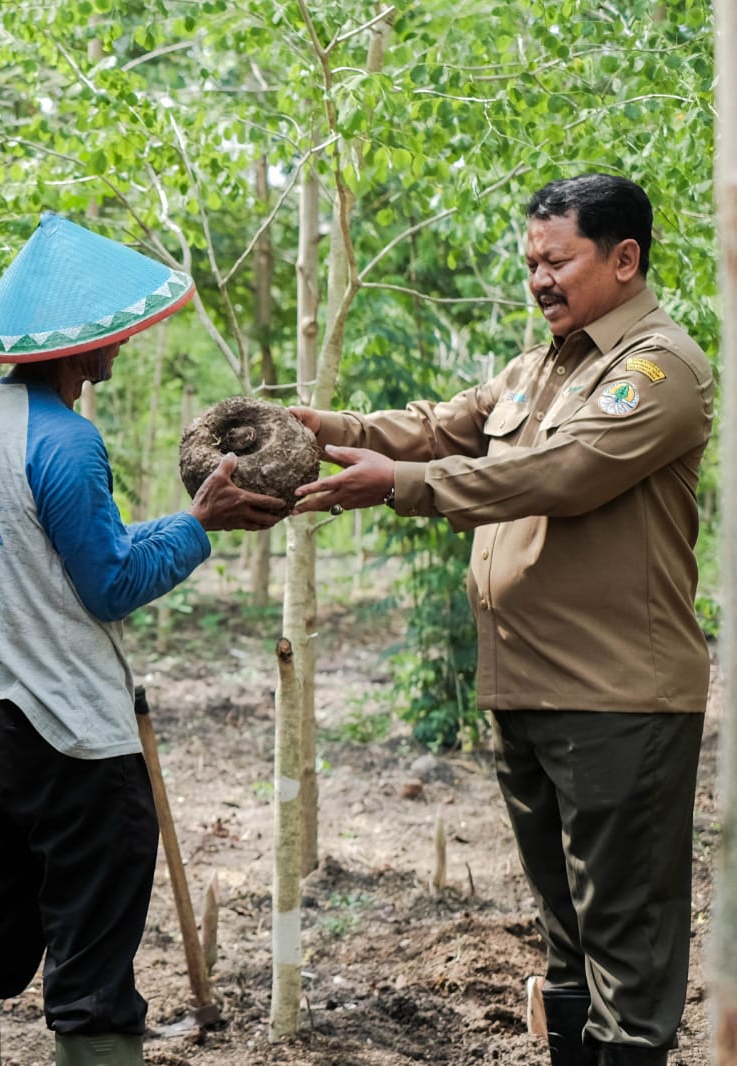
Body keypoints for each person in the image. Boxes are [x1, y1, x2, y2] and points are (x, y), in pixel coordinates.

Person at [291, 174, 711, 1066]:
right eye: (530, 263)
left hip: (616, 701)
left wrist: (400, 489)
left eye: (558, 261)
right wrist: (316, 426)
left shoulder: (657, 369)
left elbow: (561, 475)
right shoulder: (538, 369)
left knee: (626, 950)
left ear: (625, 259)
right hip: (526, 691)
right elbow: (439, 427)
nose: (539, 280)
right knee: (566, 935)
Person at [0, 213, 287, 1066]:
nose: (119, 350)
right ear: (81, 347)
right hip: (73, 736)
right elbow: (112, 583)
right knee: (93, 970)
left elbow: (16, 555)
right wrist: (201, 525)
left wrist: (176, 524)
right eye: (112, 337)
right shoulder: (70, 442)